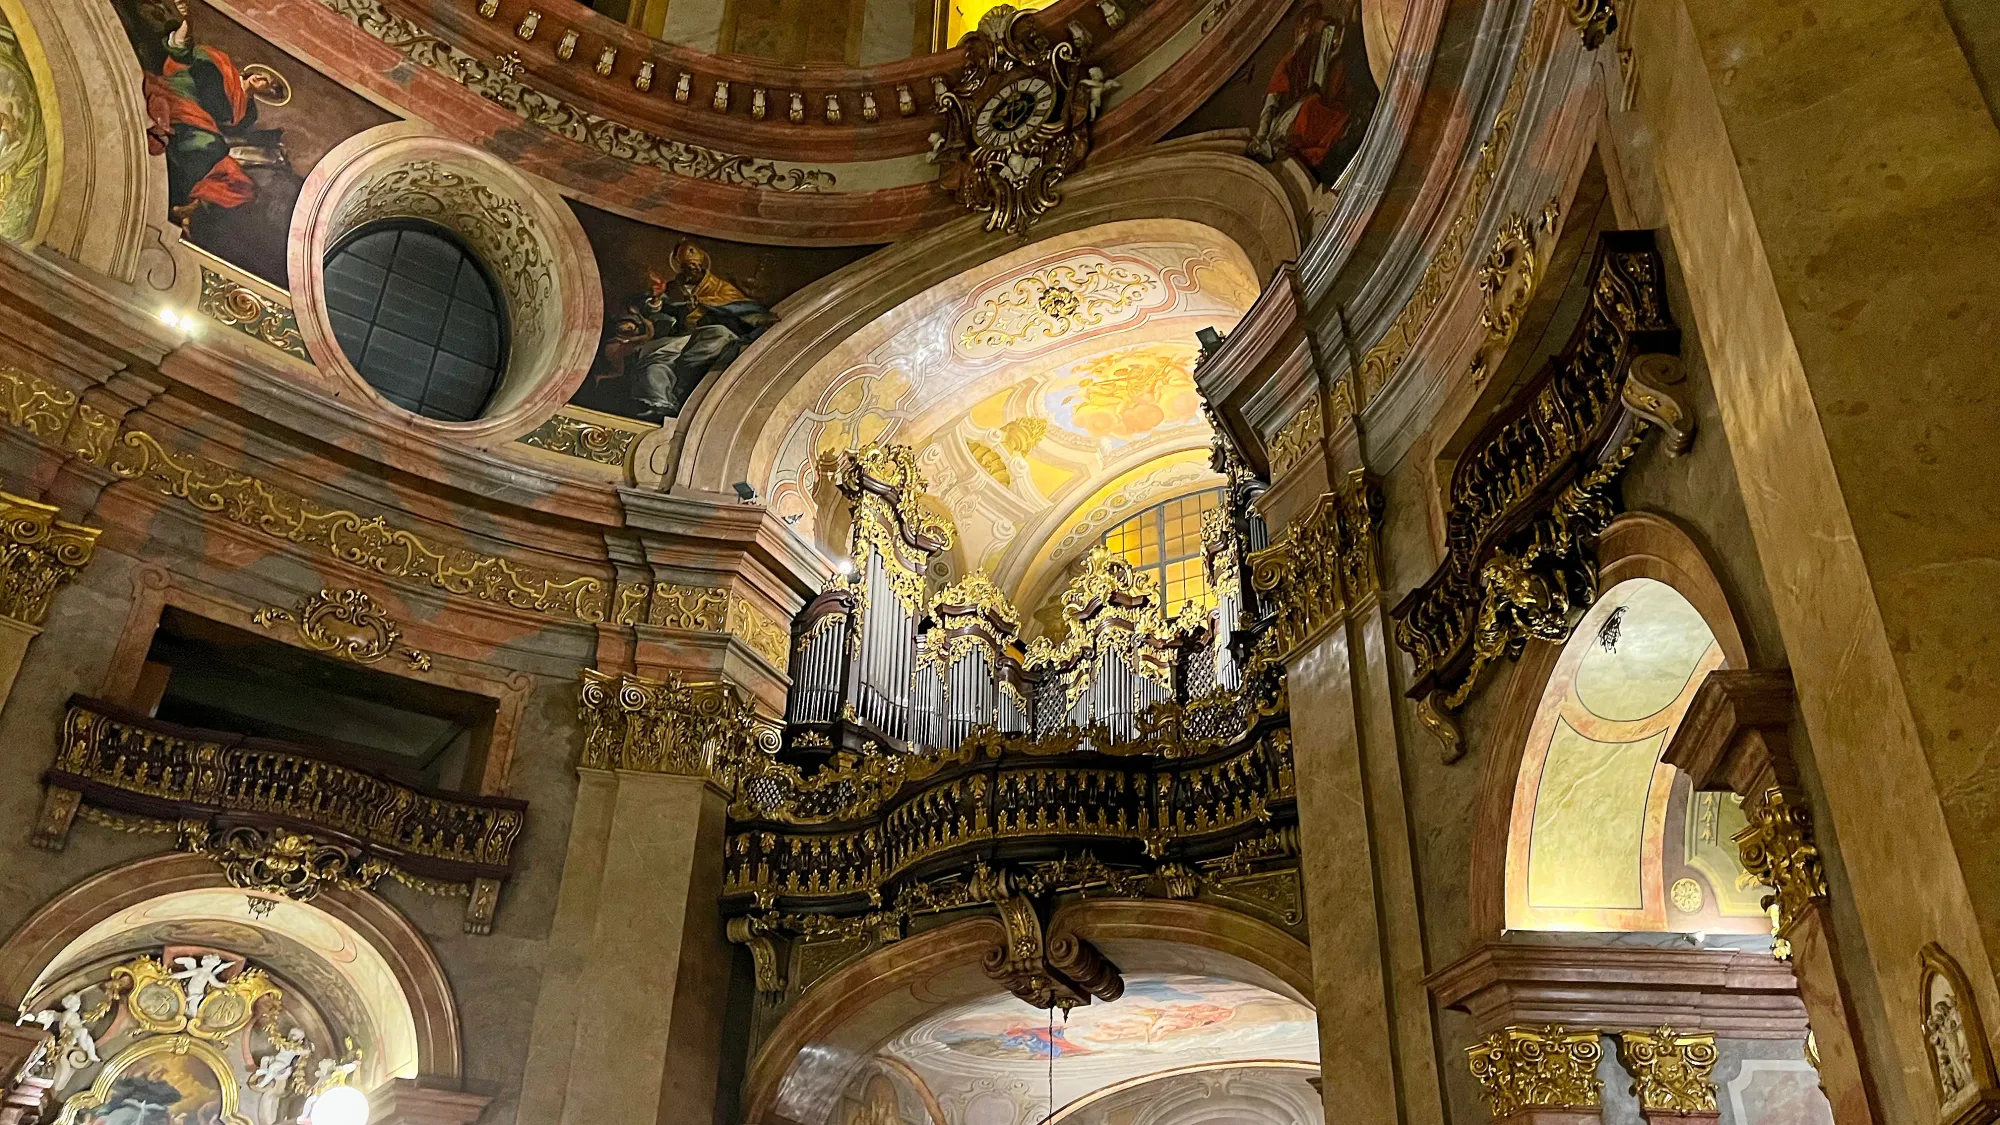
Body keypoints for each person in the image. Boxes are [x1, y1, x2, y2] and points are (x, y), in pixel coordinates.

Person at [132, 0, 300, 283]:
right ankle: (181, 176)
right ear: (254, 72)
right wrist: (186, 25)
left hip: (205, 122)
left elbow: (238, 132)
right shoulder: (220, 62)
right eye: (264, 77)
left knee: (241, 183)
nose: (263, 81)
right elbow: (185, 56)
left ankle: (190, 203)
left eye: (269, 87)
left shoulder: (248, 112)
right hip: (186, 96)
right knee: (210, 145)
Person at [584, 241, 776, 422]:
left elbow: (743, 308)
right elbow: (654, 307)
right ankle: (660, 403)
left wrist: (760, 319)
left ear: (703, 269)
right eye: (686, 269)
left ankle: (687, 374)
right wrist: (657, 301)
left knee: (719, 335)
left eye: (694, 269)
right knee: (654, 363)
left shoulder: (720, 289)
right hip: (680, 337)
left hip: (707, 334)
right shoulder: (674, 288)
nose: (690, 273)